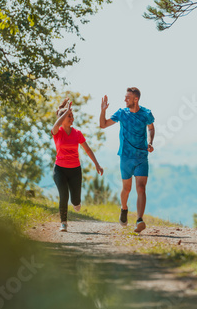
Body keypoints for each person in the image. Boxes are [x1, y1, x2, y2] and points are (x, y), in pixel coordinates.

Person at [99, 87, 155, 233]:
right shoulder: (121, 113)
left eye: (128, 97)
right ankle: (124, 208)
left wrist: (150, 142)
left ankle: (139, 220)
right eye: (125, 97)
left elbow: (151, 128)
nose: (125, 99)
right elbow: (103, 125)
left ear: (136, 99)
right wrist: (103, 110)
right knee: (127, 189)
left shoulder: (146, 113)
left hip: (141, 157)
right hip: (125, 157)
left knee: (141, 188)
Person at [52, 98, 103, 232]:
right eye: (69, 116)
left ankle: (76, 202)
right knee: (64, 195)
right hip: (60, 170)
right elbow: (55, 126)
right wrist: (65, 111)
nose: (71, 118)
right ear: (62, 118)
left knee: (75, 201)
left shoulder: (77, 133)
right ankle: (63, 223)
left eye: (72, 116)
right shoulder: (58, 133)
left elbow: (87, 149)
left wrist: (97, 164)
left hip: (75, 170)